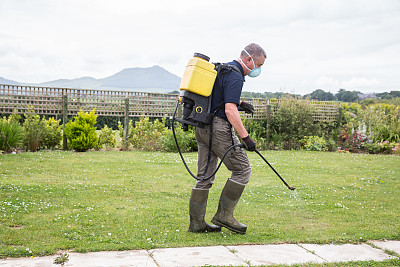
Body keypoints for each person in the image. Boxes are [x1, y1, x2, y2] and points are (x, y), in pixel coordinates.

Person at [188, 43, 266, 234]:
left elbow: (219, 98)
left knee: (204, 176)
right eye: (258, 65)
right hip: (219, 129)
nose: (257, 70)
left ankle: (197, 223)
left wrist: (240, 103)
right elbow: (228, 110)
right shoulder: (236, 75)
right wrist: (246, 138)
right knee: (242, 169)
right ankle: (224, 216)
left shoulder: (221, 69)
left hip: (202, 126)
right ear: (248, 59)